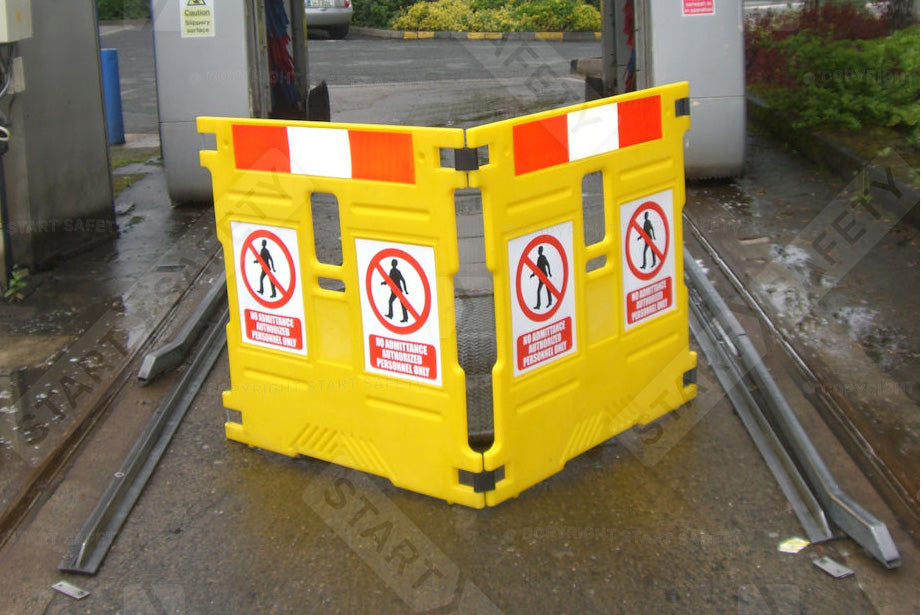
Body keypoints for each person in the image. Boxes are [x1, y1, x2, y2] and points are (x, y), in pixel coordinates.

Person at [382, 259, 409, 323]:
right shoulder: (391, 271)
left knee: (402, 304)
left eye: (393, 262)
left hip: (398, 290)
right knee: (391, 301)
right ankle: (391, 315)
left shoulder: (397, 271)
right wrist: (384, 283)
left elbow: (403, 280)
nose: (392, 263)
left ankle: (405, 318)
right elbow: (389, 279)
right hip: (394, 290)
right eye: (392, 262)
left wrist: (405, 290)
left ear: (395, 264)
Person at [530, 245, 552, 309]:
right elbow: (537, 268)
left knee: (547, 289)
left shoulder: (543, 257)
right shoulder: (539, 258)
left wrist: (550, 272)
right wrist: (533, 274)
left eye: (539, 250)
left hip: (544, 276)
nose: (538, 251)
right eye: (538, 250)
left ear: (541, 251)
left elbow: (548, 264)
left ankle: (549, 302)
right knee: (543, 290)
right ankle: (539, 305)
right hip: (541, 276)